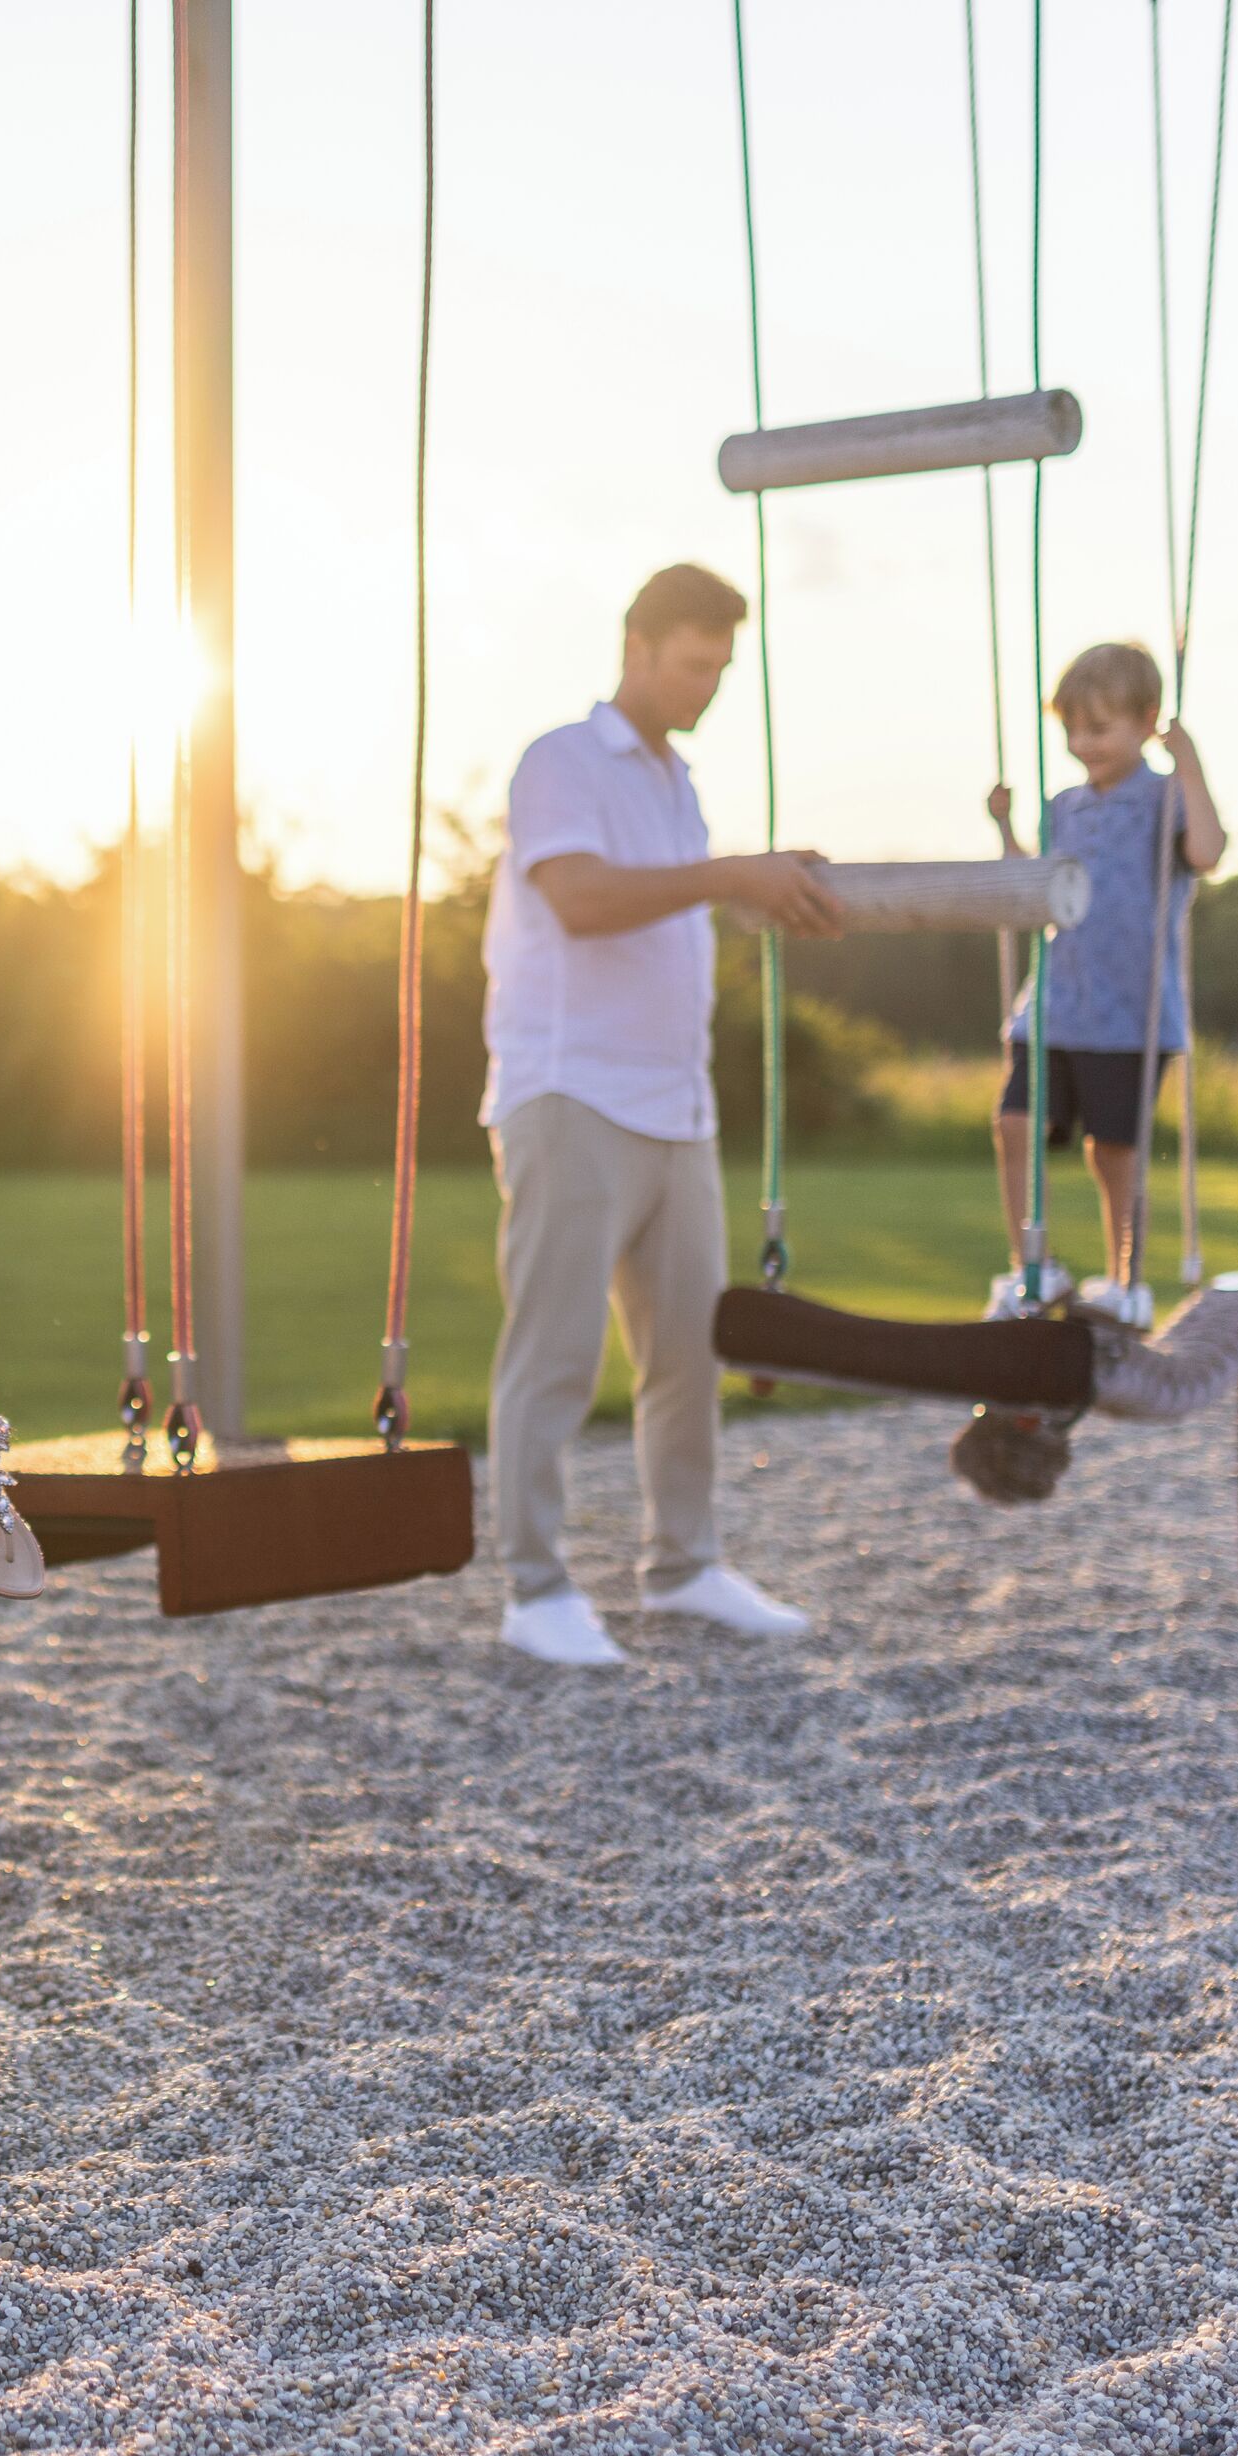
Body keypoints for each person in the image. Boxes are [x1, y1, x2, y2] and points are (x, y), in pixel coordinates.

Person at [484, 563, 841, 1666]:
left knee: (689, 1353)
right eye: (693, 665)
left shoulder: (678, 783)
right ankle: (535, 1588)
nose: (708, 689)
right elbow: (582, 900)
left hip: (677, 1107)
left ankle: (683, 1566)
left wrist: (769, 889)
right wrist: (731, 874)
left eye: (722, 670)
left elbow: (682, 905)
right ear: (637, 647)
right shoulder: (560, 760)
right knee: (555, 1352)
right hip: (569, 1094)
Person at [983, 641, 1230, 1327]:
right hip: (1055, 1003)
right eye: (1072, 730)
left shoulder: (1165, 798)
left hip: (1130, 1012)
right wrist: (1004, 826)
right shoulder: (1062, 806)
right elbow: (1031, 890)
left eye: (1099, 728)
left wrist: (1190, 765)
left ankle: (1126, 1282)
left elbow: (1207, 851)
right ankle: (1032, 1269)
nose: (1082, 744)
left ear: (1147, 721)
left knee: (1113, 1151)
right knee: (1014, 1125)